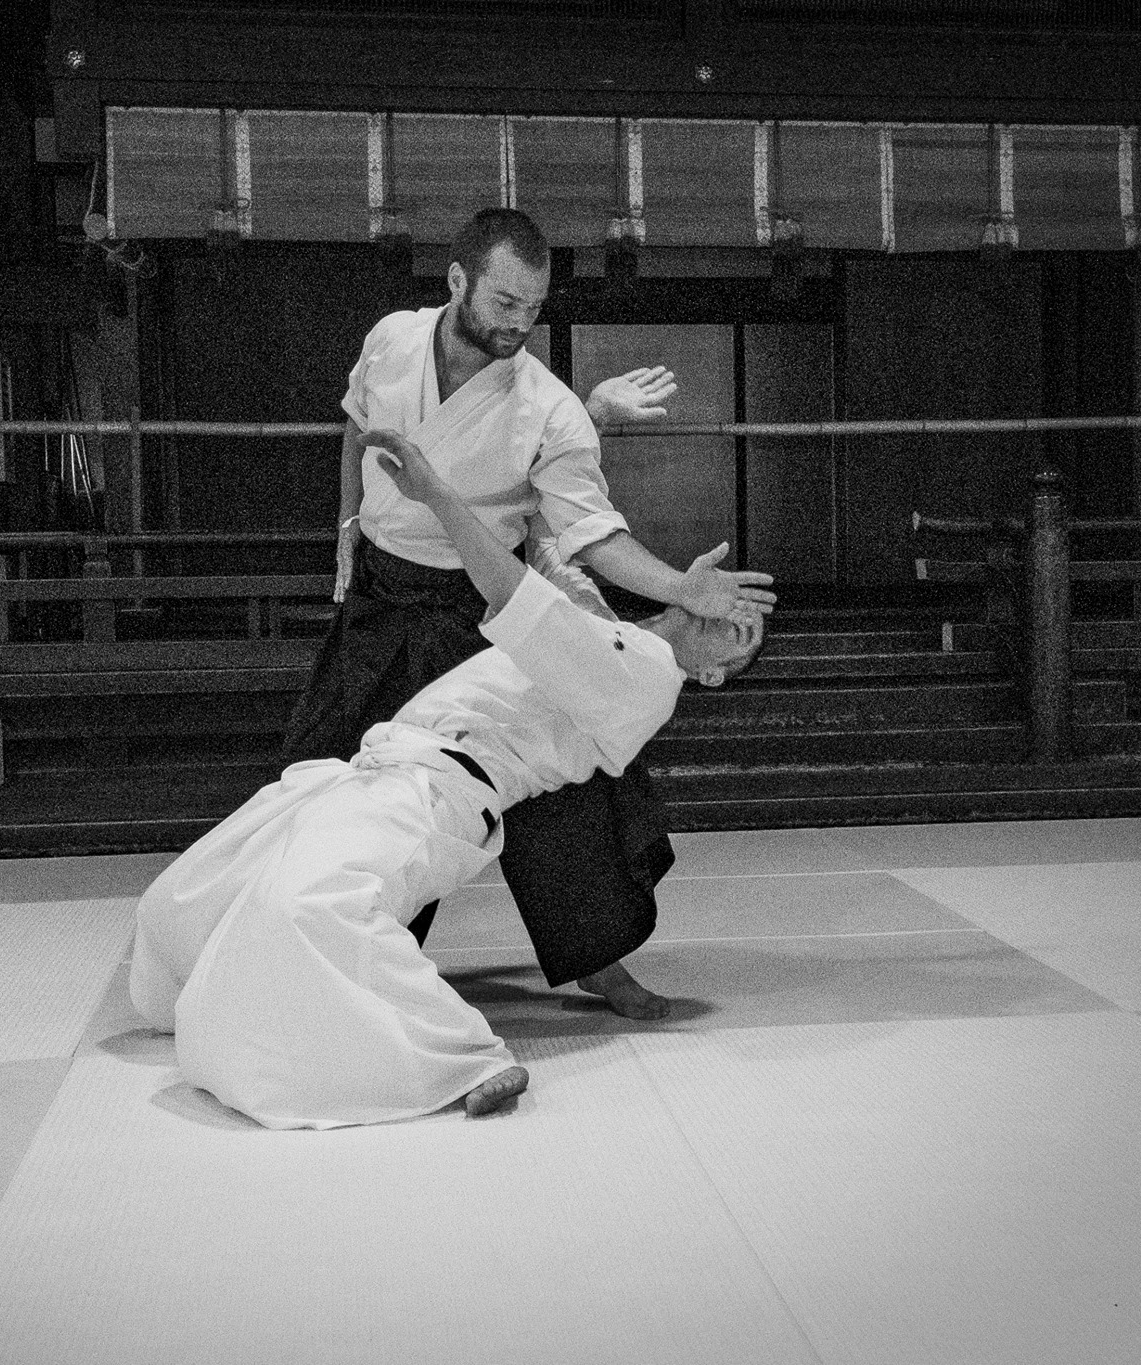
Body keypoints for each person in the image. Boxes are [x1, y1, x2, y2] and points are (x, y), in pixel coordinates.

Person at [131, 428, 764, 1130]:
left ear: (713, 675)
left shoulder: (647, 680)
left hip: (435, 795)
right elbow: (548, 516)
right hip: (373, 775)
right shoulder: (611, 627)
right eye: (739, 599)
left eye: (743, 632)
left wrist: (434, 491)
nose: (733, 612)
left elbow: (508, 585)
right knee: (180, 901)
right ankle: (222, 999)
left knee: (309, 905)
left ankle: (468, 1058)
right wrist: (601, 430)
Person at [281, 207, 776, 1019]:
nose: (520, 323)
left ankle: (602, 963)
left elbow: (592, 534)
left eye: (534, 307)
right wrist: (346, 527)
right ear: (458, 281)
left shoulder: (547, 407)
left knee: (553, 776)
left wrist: (678, 590)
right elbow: (356, 428)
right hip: (380, 597)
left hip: (476, 607)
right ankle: (311, 950)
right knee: (323, 777)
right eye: (506, 302)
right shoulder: (392, 340)